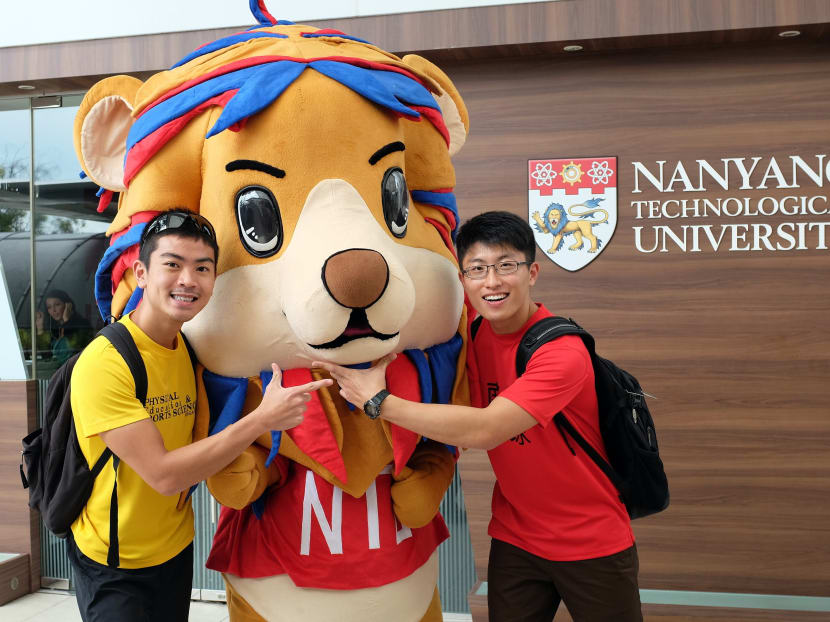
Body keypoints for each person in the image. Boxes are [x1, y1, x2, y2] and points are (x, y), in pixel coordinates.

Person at [314, 211, 642, 622]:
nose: (492, 282)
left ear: (532, 272)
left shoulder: (561, 352)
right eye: (478, 269)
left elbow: (487, 430)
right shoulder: (474, 333)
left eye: (507, 266)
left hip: (590, 541)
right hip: (516, 536)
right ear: (463, 278)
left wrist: (379, 401)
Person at [67, 209, 332, 622]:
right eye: (172, 265)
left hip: (175, 548)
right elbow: (164, 474)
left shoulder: (190, 350)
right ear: (141, 273)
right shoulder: (106, 362)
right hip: (114, 561)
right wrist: (262, 420)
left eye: (202, 268)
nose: (188, 280)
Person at [35, 289, 94, 364]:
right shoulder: (53, 327)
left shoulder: (82, 324)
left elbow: (75, 349)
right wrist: (40, 329)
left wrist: (67, 321)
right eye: (49, 307)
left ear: (67, 305)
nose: (53, 310)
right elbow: (46, 356)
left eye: (57, 305)